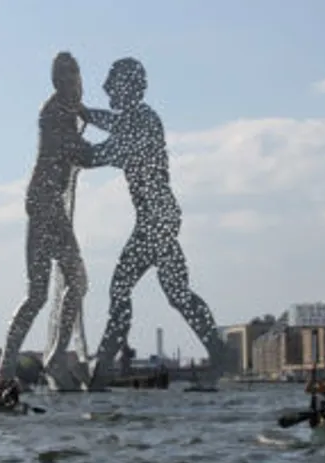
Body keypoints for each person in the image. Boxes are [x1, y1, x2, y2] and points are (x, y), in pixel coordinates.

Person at [80, 57, 225, 389]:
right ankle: (220, 355)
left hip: (156, 218)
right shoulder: (136, 119)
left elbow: (100, 153)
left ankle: (102, 368)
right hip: (159, 216)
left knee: (121, 287)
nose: (105, 88)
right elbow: (112, 123)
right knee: (177, 292)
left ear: (129, 87)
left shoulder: (144, 122)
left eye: (112, 83)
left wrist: (74, 141)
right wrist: (84, 113)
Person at [0, 51, 92, 391]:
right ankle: (15, 367)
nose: (73, 84)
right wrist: (121, 146)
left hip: (48, 204)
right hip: (45, 203)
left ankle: (29, 364)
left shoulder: (67, 111)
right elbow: (80, 153)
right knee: (52, 288)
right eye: (66, 78)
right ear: (57, 82)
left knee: (68, 283)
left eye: (76, 77)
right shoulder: (53, 113)